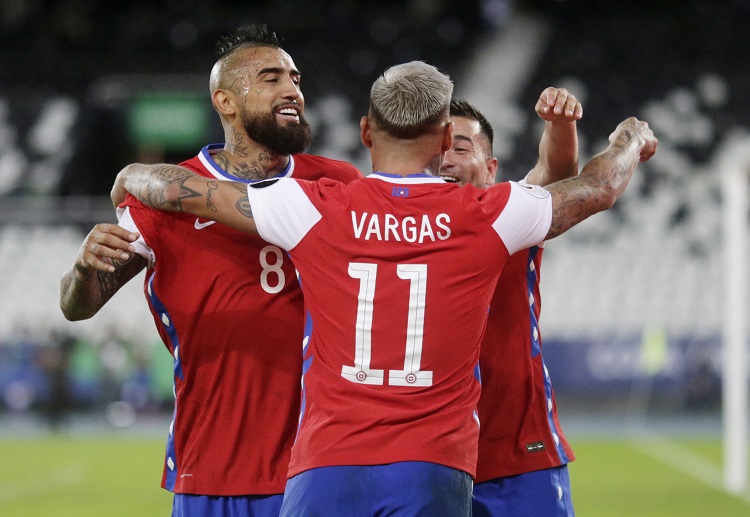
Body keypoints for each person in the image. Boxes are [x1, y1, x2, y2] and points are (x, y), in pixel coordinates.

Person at [110, 61, 657, 516]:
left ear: (366, 132)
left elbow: (195, 194)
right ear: (443, 138)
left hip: (326, 461)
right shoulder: (485, 215)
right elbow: (596, 185)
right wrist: (629, 140)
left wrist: (136, 174)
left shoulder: (316, 205)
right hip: (432, 462)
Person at [59, 25, 362, 517]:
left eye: (295, 78)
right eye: (271, 78)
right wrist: (83, 268)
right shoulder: (158, 200)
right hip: (213, 463)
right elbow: (79, 305)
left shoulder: (336, 182)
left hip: (322, 462)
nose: (292, 90)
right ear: (226, 100)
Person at [439, 92, 580, 516]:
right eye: (436, 148)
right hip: (427, 461)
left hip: (518, 458)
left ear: (491, 170)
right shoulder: (389, 227)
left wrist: (560, 125)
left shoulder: (508, 216)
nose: (445, 158)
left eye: (460, 148)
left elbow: (555, 174)